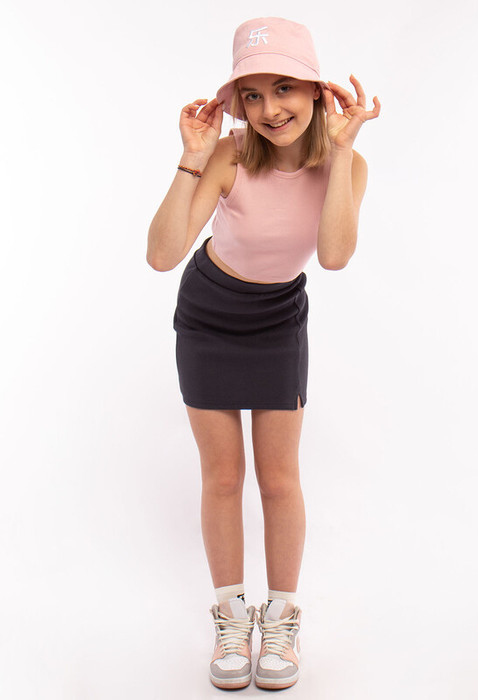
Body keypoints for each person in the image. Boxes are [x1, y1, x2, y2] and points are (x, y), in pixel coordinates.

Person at [147, 16, 380, 691]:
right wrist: (192, 157)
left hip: (277, 319)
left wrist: (341, 154)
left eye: (284, 88)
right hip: (208, 314)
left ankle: (280, 619)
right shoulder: (229, 153)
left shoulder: (348, 164)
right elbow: (162, 255)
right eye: (251, 95)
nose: (269, 109)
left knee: (278, 479)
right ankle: (230, 616)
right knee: (222, 477)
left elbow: (333, 256)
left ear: (317, 91)